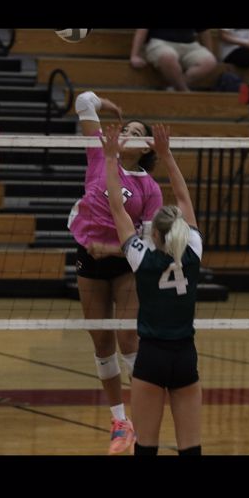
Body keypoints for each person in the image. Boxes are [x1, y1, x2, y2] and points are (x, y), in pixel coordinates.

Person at [100, 122, 203, 458]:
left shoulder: (141, 258)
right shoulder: (194, 251)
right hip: (185, 356)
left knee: (146, 448)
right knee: (191, 449)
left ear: (154, 236)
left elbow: (117, 208)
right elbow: (184, 198)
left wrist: (110, 159)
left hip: (152, 357)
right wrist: (167, 155)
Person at [70, 89, 164, 455]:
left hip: (126, 263)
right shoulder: (99, 153)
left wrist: (112, 248)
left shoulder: (149, 188)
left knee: (128, 340)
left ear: (146, 148)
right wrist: (108, 106)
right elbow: (83, 101)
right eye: (126, 129)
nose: (127, 133)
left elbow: (150, 240)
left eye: (137, 133)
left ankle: (142, 416)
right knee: (102, 343)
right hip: (89, 259)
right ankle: (119, 420)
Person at [130, 29, 219, 91]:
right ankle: (184, 91)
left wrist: (210, 52)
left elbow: (204, 31)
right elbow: (142, 30)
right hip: (160, 42)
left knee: (209, 61)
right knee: (168, 56)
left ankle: (174, 88)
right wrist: (134, 55)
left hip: (190, 44)